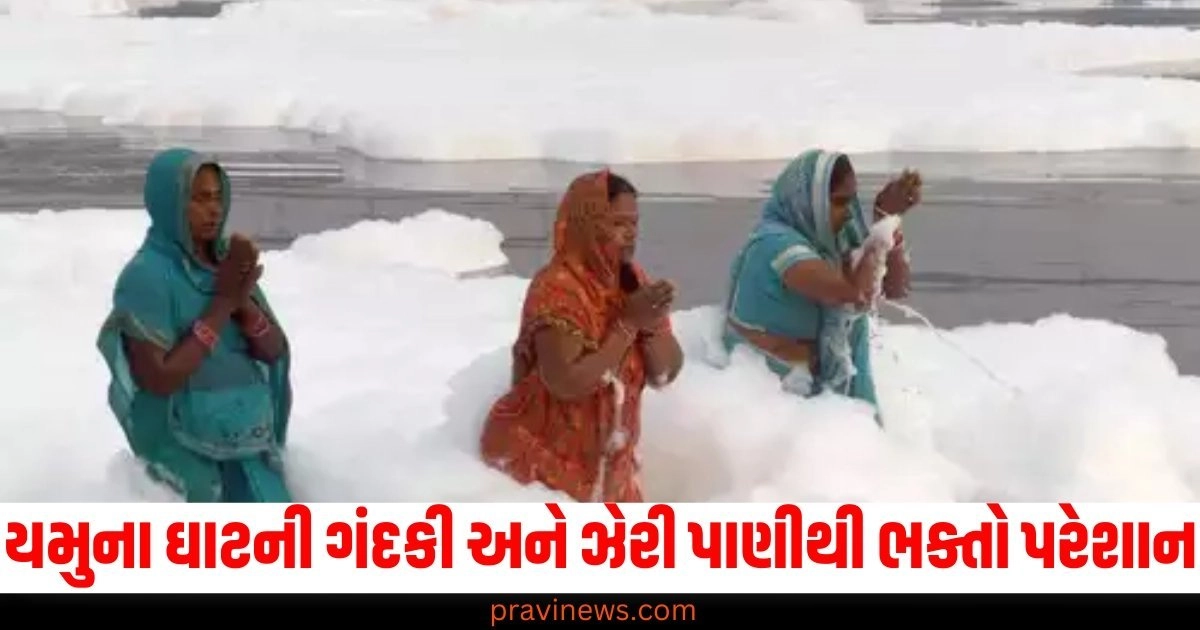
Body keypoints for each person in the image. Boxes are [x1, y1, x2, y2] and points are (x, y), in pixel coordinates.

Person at [96, 148, 293, 502]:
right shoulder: (147, 277)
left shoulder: (225, 265)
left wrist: (243, 303)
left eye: (218, 197)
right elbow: (159, 378)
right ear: (169, 202)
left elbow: (274, 351)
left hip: (248, 438)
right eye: (200, 198)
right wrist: (221, 305)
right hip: (185, 452)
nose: (214, 209)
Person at [479, 169, 684, 503]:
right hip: (540, 472)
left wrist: (653, 323)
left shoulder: (631, 280)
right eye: (618, 224)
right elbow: (567, 381)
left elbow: (665, 373)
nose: (630, 235)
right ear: (587, 226)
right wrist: (627, 325)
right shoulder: (558, 289)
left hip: (610, 469)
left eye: (634, 224)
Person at [719, 149, 919, 421]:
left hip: (819, 399)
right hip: (767, 401)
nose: (849, 214)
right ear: (807, 201)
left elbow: (895, 288)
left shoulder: (830, 237)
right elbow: (852, 295)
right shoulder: (773, 244)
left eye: (851, 201)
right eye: (839, 202)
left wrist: (889, 223)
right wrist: (882, 227)